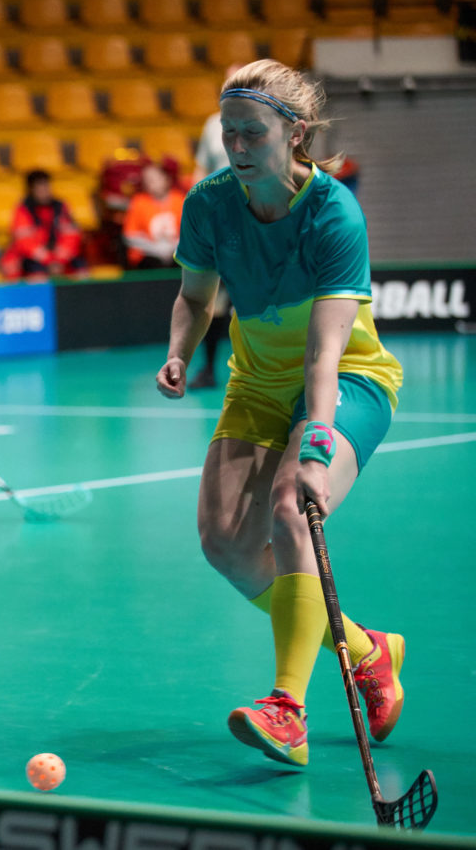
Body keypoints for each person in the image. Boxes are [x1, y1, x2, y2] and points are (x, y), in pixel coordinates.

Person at [156, 60, 406, 768]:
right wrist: (180, 350)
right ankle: (368, 650)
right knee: (226, 544)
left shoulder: (333, 213)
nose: (237, 147)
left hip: (345, 380)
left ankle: (287, 708)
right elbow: (194, 297)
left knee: (292, 507)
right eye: (229, 132)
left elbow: (326, 354)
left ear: (293, 133)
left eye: (252, 133)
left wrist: (319, 447)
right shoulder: (209, 204)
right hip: (257, 383)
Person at [188, 64, 243, 389]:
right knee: (214, 301)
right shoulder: (212, 125)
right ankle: (208, 369)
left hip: (258, 220)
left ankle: (257, 371)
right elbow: (200, 170)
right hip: (220, 225)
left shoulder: (264, 121)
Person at [0, 169, 87, 280]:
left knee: (80, 268)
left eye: (46, 186)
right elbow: (25, 242)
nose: (44, 191)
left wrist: (59, 259)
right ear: (31, 190)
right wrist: (48, 260)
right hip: (36, 258)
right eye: (39, 188)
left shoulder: (60, 206)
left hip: (59, 257)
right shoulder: (23, 209)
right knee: (36, 273)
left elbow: (71, 235)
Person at [121, 159, 185, 269]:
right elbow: (130, 235)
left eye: (154, 179)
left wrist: (172, 248)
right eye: (147, 180)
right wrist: (156, 249)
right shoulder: (138, 202)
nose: (151, 184)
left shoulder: (180, 200)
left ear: (166, 179)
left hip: (177, 252)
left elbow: (190, 232)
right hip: (148, 255)